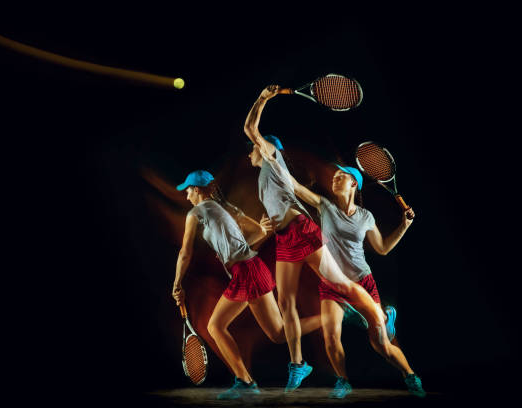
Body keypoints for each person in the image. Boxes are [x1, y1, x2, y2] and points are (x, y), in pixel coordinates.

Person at [244, 84, 387, 392]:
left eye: (255, 147)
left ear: (268, 147)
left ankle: (380, 312)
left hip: (302, 231)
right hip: (284, 237)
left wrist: (263, 97)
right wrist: (266, 224)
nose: (250, 151)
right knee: (285, 301)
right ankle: (298, 363)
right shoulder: (264, 176)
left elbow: (250, 128)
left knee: (341, 286)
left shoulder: (271, 156)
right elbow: (278, 203)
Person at [171, 170, 322, 400]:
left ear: (199, 190)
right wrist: (232, 253)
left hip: (245, 272)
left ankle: (246, 382)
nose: (187, 194)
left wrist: (177, 283)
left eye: (189, 189)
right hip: (253, 267)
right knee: (279, 334)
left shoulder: (195, 213)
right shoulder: (227, 209)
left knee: (215, 326)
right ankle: (336, 315)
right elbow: (260, 231)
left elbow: (185, 252)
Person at [290, 164, 426, 398]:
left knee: (382, 345)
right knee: (330, 335)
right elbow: (296, 187)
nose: (335, 178)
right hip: (332, 284)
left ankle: (410, 375)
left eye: (341, 176)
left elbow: (382, 248)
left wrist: (404, 225)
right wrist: (271, 159)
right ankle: (343, 381)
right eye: (334, 175)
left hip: (362, 283)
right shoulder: (326, 207)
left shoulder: (366, 217)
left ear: (353, 183)